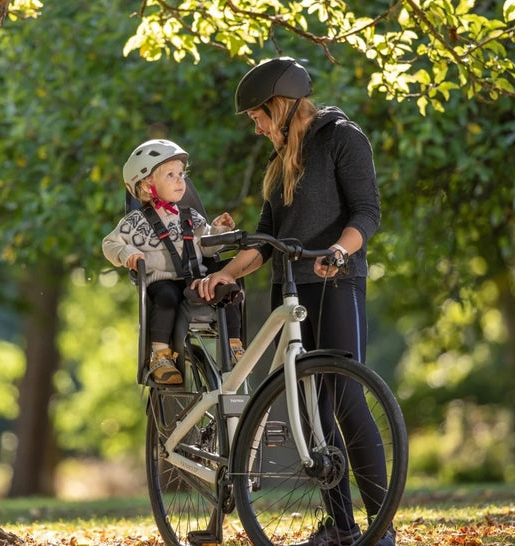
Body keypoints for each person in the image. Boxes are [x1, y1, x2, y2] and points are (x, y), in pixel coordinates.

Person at [193, 58, 393, 545]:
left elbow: (367, 213)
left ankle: (381, 530)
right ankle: (342, 531)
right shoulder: (280, 161)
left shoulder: (344, 138)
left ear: (278, 105)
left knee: (346, 399)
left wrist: (338, 253)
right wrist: (224, 272)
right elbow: (264, 240)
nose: (257, 128)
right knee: (311, 414)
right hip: (291, 289)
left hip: (337, 282)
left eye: (258, 117)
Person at [103, 139, 243, 386]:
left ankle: (233, 344)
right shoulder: (136, 222)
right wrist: (128, 255)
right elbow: (110, 244)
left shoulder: (191, 217)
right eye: (171, 175)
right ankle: (160, 355)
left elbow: (208, 246)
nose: (181, 180)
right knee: (167, 298)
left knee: (227, 287)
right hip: (163, 281)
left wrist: (218, 230)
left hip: (195, 280)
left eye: (181, 174)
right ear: (147, 186)